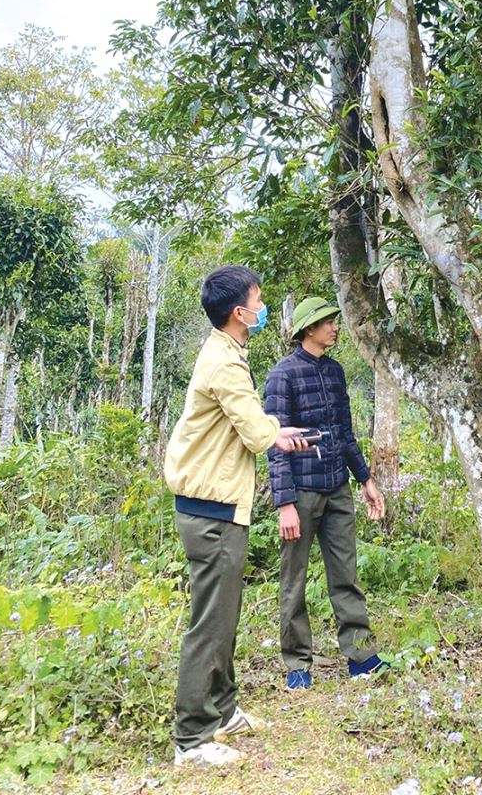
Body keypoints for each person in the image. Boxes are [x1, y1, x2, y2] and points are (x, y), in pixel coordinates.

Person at [164, 265, 311, 768]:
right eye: (258, 298)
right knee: (210, 622)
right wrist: (275, 431)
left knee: (224, 616)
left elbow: (253, 425)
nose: (263, 304)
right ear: (238, 312)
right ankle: (192, 739)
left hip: (220, 504)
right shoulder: (223, 362)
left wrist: (275, 430)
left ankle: (222, 711)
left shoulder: (230, 352)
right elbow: (253, 431)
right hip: (211, 509)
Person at [264, 295, 386, 689]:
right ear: (308, 330)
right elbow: (274, 442)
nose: (335, 327)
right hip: (300, 493)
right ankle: (298, 664)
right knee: (293, 581)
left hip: (337, 488)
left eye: (334, 320)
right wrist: (284, 503)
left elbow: (345, 434)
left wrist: (365, 480)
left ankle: (362, 656)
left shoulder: (334, 372)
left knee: (345, 576)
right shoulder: (282, 375)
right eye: (328, 322)